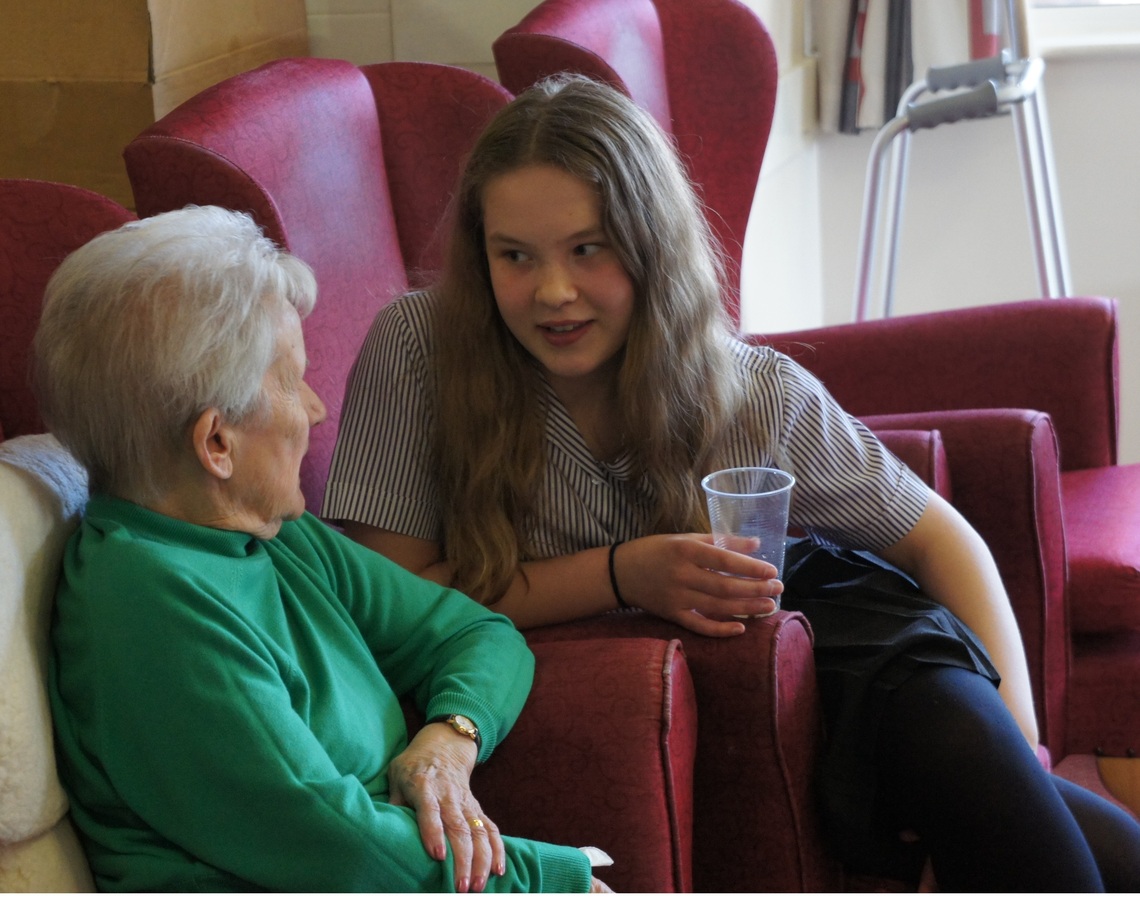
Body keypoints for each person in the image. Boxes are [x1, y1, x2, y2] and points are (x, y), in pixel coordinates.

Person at [323, 75, 1140, 891]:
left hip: (864, 663)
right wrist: (618, 573)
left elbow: (939, 537)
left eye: (588, 248)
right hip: (770, 715)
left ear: (650, 244)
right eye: (515, 256)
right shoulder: (419, 352)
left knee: (1071, 837)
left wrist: (1023, 745)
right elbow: (391, 599)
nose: (554, 292)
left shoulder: (748, 388)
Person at [35, 205, 609, 893]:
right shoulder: (145, 600)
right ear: (217, 443)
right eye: (290, 380)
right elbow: (331, 841)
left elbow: (479, 633)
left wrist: (449, 739)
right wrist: (554, 880)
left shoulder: (270, 537)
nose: (315, 408)